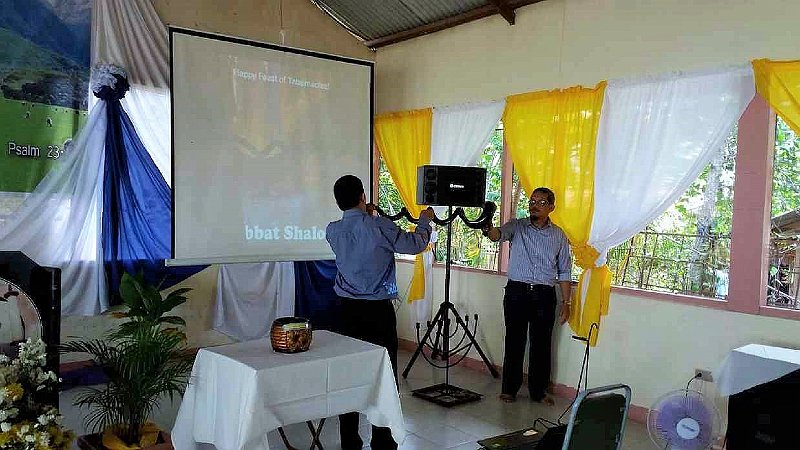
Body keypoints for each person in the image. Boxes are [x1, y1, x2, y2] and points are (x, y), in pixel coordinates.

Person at [326, 175, 435, 450]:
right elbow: (415, 244)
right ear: (363, 196)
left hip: (346, 312)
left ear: (338, 201)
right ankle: (383, 442)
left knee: (349, 375)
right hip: (377, 313)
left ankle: (349, 440)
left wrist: (366, 215)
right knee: (384, 375)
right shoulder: (378, 226)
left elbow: (359, 239)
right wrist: (425, 221)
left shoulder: (332, 230)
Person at [481, 187, 572, 405]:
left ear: (551, 207)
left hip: (544, 295)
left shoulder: (558, 235)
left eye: (541, 202)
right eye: (532, 201)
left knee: (541, 344)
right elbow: (497, 235)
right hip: (517, 292)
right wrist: (486, 226)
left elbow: (565, 271)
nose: (534, 205)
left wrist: (566, 302)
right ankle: (509, 390)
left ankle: (538, 391)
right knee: (515, 340)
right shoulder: (517, 226)